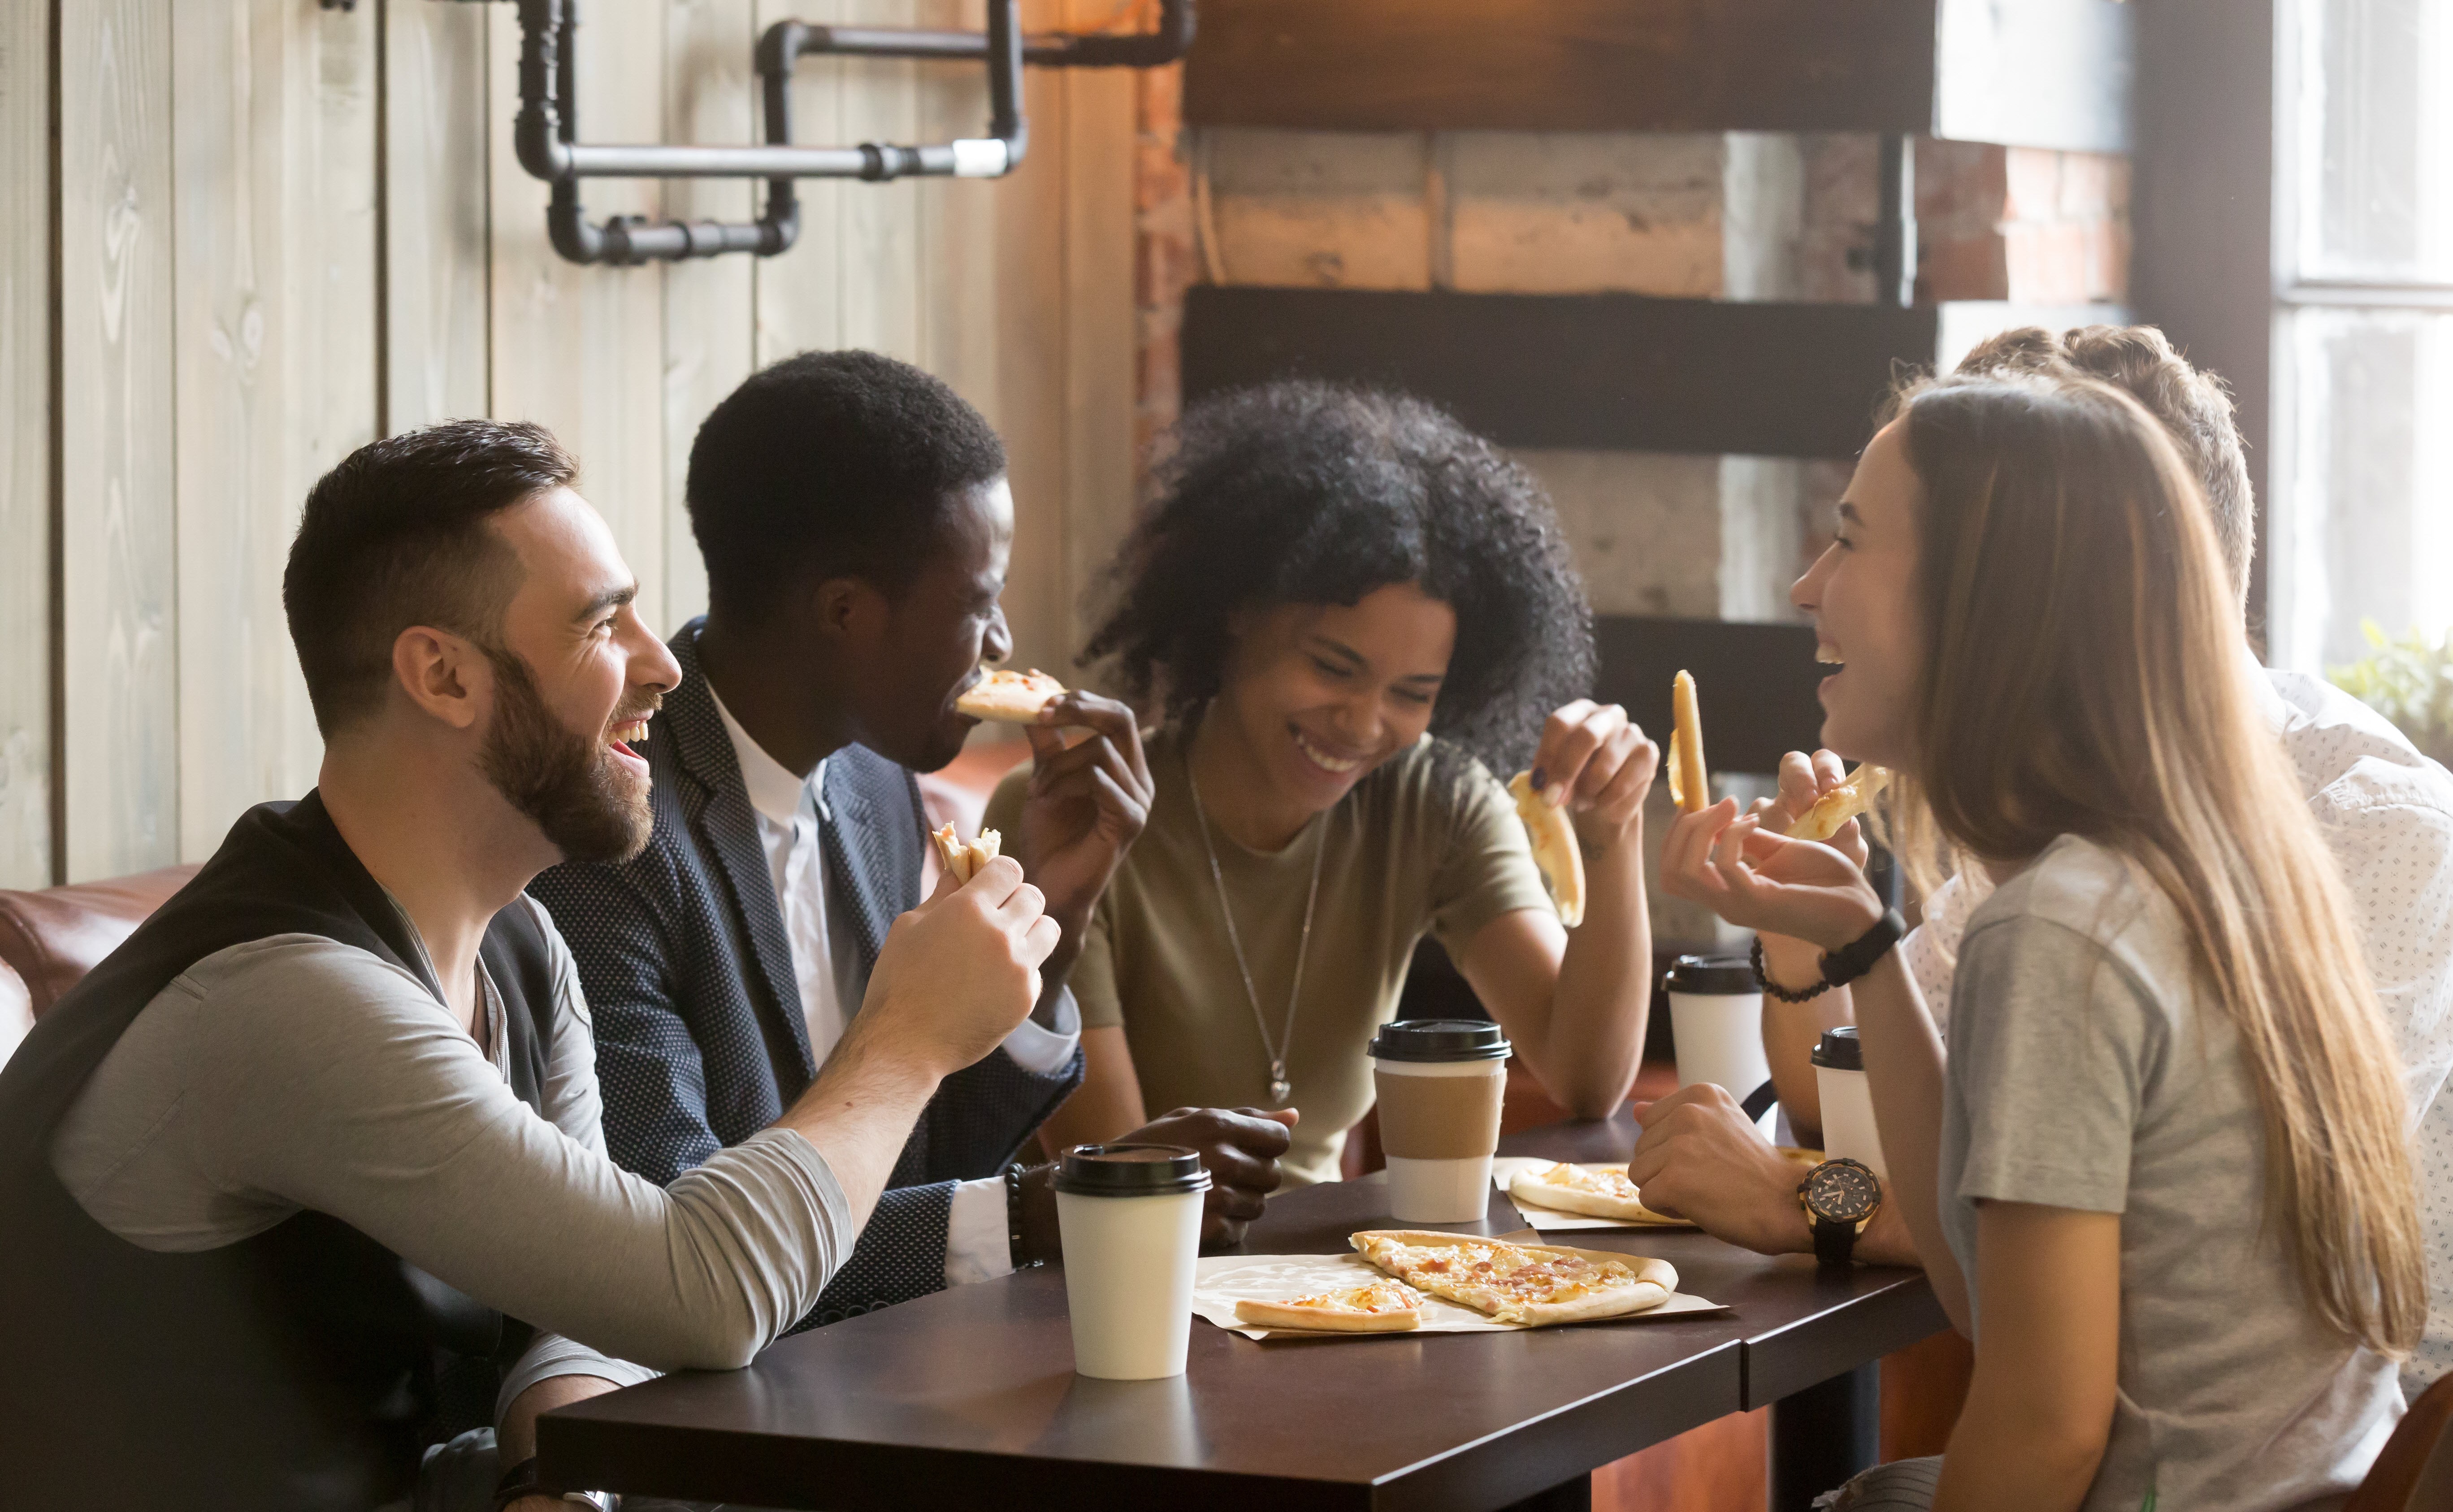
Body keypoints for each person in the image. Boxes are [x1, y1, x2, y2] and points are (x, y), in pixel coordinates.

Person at [0, 420, 1059, 1511]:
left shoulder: (521, 941)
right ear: (444, 674)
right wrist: (907, 1039)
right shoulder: (286, 997)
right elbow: (699, 1288)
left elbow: (574, 1304)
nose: (660, 667)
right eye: (603, 626)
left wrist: (551, 1486)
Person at [1629, 325, 2453, 1403]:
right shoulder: (2078, 851)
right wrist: (1840, 941)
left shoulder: (2373, 831)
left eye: (1858, 540)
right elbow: (1864, 1125)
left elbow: (2160, 1255)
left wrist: (1814, 1208)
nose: (1806, 585)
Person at [531, 352, 1291, 1321]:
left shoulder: (875, 780)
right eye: (981, 601)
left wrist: (1055, 910)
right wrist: (1031, 1216)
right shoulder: (612, 833)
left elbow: (924, 1163)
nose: (1004, 642)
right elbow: (684, 1241)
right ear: (846, 612)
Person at [991, 381, 1660, 1186]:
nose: (1363, 724)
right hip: (1118, 1276)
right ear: (1236, 610)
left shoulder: (1434, 803)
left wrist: (1612, 834)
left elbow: (1585, 1078)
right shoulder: (1071, 818)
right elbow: (1123, 1185)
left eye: (1413, 694)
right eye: (1333, 667)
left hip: (1330, 1280)